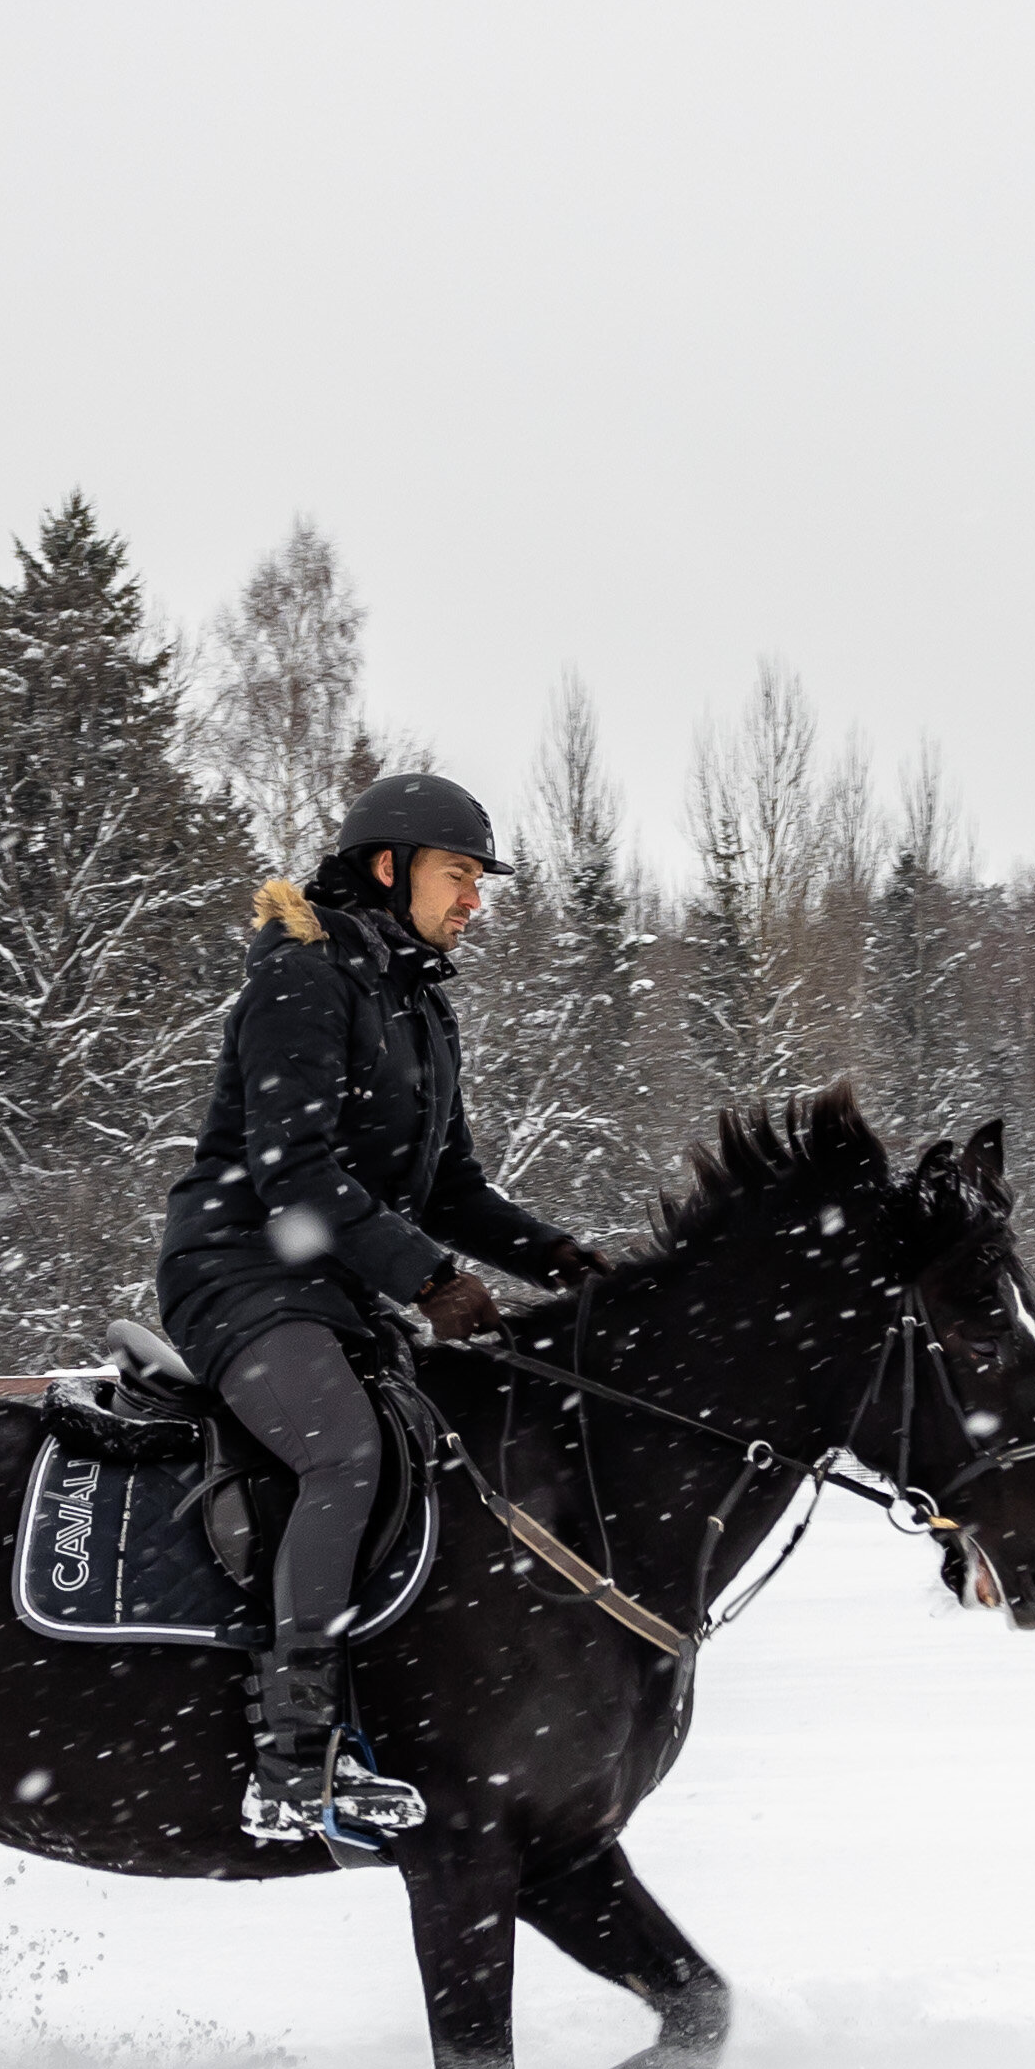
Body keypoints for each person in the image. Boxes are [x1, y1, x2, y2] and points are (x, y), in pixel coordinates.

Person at [149, 770, 606, 1853]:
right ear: (391, 868)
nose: (475, 902)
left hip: (340, 1293)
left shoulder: (419, 1002)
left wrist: (560, 1258)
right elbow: (291, 1169)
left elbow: (451, 1186)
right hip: (243, 1278)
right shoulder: (305, 978)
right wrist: (427, 1279)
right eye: (460, 877)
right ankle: (296, 1755)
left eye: (480, 883)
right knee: (344, 1453)